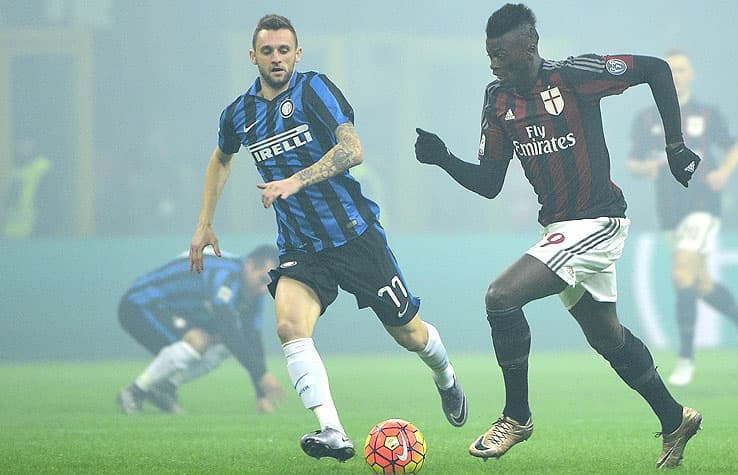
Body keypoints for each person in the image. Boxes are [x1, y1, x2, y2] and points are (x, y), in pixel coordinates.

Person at [414, 4, 703, 469]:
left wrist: (673, 145)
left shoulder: (574, 76)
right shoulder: (497, 99)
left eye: (501, 53)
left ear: (529, 46)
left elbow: (655, 69)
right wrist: (444, 158)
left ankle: (517, 416)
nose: (494, 63)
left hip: (596, 222)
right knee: (607, 337)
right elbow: (490, 183)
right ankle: (675, 418)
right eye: (489, 55)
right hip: (560, 228)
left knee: (501, 296)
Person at [189, 14, 467, 463]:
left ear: (297, 54)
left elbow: (353, 149)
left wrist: (295, 181)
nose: (277, 59)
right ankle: (333, 431)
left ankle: (446, 377)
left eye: (284, 50)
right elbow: (221, 158)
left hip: (355, 237)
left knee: (411, 335)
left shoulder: (314, 89)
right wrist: (204, 222)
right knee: (288, 327)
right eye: (267, 51)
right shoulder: (239, 114)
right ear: (253, 57)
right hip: (301, 247)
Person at [627, 50, 738, 386]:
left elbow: (734, 147)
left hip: (703, 204)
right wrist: (644, 168)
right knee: (699, 283)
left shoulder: (707, 114)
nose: (678, 74)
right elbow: (632, 161)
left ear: (692, 74)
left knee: (680, 272)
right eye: (671, 69)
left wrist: (724, 173)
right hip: (669, 210)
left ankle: (686, 357)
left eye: (683, 69)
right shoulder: (647, 118)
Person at [116, 244, 283, 414]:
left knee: (221, 345)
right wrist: (262, 375)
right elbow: (228, 329)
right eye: (262, 280)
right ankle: (134, 392)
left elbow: (251, 338)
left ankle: (163, 388)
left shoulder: (255, 292)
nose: (264, 290)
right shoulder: (225, 273)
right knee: (199, 340)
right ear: (249, 265)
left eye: (269, 285)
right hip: (140, 304)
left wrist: (261, 394)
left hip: (174, 312)